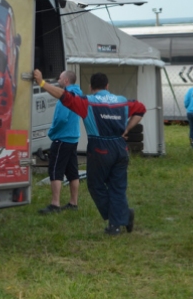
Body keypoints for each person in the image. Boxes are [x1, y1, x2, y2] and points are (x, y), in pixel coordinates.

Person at [33, 69, 146, 235]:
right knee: (118, 186)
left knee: (96, 185)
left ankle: (118, 221)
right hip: (121, 147)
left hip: (100, 148)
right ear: (107, 85)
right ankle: (121, 218)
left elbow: (63, 96)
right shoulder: (121, 101)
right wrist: (128, 128)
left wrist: (42, 83)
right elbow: (141, 109)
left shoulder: (87, 102)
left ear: (91, 87)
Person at [39, 70, 82, 214]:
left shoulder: (66, 96)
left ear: (66, 81)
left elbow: (62, 118)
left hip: (62, 138)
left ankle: (55, 204)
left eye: (61, 77)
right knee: (72, 171)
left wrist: (52, 131)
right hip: (73, 137)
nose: (58, 78)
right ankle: (73, 203)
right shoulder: (79, 94)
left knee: (56, 170)